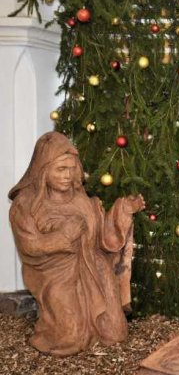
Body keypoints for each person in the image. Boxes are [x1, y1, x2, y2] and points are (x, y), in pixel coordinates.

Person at [8, 131, 145, 356]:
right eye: (60, 169)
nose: (67, 175)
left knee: (116, 334)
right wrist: (63, 236)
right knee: (69, 338)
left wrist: (123, 211)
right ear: (43, 170)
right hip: (56, 275)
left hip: (94, 270)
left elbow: (102, 237)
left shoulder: (81, 199)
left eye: (71, 169)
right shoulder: (25, 205)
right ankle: (53, 327)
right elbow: (30, 245)